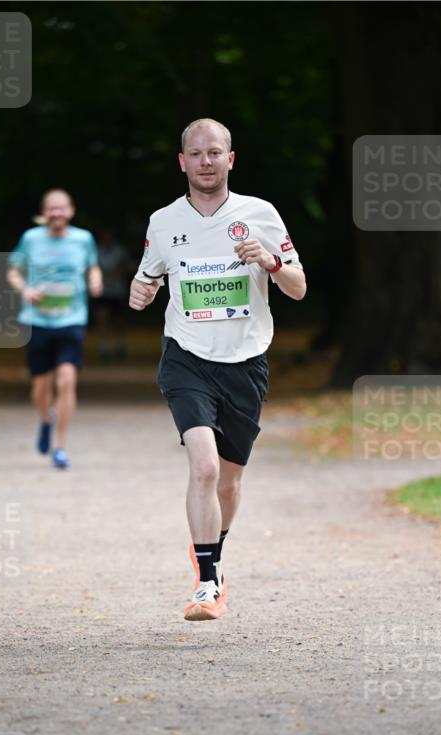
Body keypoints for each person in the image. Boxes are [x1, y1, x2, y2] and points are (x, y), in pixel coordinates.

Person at [129, 118, 306, 621]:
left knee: (228, 482)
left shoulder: (260, 214)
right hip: (186, 357)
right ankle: (207, 585)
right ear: (182, 161)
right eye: (196, 153)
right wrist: (140, 293)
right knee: (203, 467)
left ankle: (214, 550)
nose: (206, 161)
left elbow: (299, 287)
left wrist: (272, 263)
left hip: (245, 362)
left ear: (231, 159)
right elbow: (147, 280)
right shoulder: (163, 221)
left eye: (215, 153)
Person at [7, 189, 102, 469]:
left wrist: (95, 281)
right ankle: (45, 419)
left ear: (71, 211)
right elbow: (14, 270)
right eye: (51, 208)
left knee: (66, 380)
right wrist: (25, 289)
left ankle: (59, 447)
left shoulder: (83, 239)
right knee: (41, 387)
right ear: (44, 212)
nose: (57, 213)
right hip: (38, 321)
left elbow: (93, 268)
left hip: (72, 320)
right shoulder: (31, 239)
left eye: (62, 208)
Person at [96, 228, 131, 361]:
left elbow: (123, 268)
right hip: (103, 291)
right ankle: (104, 345)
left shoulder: (119, 251)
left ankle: (120, 344)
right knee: (102, 317)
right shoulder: (97, 251)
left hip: (117, 292)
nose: (106, 239)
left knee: (119, 320)